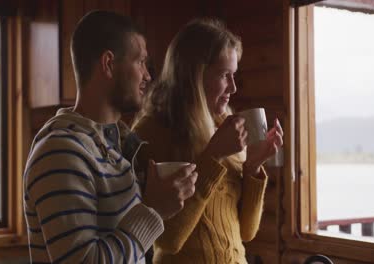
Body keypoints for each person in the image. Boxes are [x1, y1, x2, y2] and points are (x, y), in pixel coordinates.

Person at [23, 10, 198, 263]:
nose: (148, 75)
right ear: (108, 64)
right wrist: (153, 210)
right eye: (140, 62)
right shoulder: (60, 152)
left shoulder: (116, 146)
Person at [132, 18, 284, 263]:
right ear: (194, 75)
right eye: (225, 75)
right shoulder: (151, 132)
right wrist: (212, 156)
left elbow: (246, 232)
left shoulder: (227, 126)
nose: (233, 88)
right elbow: (168, 241)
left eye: (234, 75)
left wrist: (253, 166)